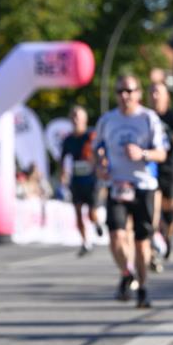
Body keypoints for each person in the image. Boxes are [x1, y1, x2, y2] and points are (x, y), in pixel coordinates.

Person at [93, 73, 167, 308]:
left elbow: (162, 153)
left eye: (130, 91)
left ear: (138, 94)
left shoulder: (148, 118)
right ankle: (127, 272)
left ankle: (143, 288)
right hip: (117, 184)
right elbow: (97, 150)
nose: (125, 96)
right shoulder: (107, 120)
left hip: (143, 185)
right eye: (120, 92)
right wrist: (100, 166)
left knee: (141, 243)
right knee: (115, 236)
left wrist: (142, 154)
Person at [147, 81, 173, 266]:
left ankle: (168, 238)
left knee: (169, 211)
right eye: (152, 92)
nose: (155, 96)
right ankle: (154, 246)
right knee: (153, 210)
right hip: (150, 169)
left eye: (158, 92)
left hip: (169, 168)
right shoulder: (145, 116)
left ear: (166, 96)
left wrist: (172, 137)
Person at [60, 105, 102, 256]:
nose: (76, 119)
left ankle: (96, 223)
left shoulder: (91, 136)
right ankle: (85, 242)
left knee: (91, 213)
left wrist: (98, 164)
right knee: (77, 212)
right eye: (74, 116)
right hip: (76, 180)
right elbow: (63, 159)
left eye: (79, 116)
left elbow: (101, 152)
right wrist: (63, 175)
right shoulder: (68, 140)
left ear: (85, 119)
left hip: (91, 180)